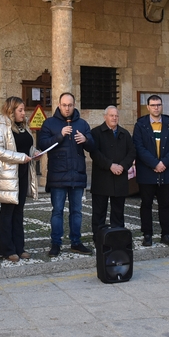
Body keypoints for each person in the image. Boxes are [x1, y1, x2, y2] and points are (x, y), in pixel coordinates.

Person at [38, 92, 94, 257]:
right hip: (58, 175)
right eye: (64, 105)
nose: (67, 108)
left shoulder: (82, 124)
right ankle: (56, 243)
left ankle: (76, 242)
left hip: (77, 175)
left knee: (76, 211)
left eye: (70, 105)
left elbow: (93, 147)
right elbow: (42, 144)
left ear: (74, 105)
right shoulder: (49, 123)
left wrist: (87, 140)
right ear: (59, 105)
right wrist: (60, 135)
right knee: (57, 211)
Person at [0, 96, 39, 262]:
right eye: (20, 110)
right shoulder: (0, 127)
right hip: (9, 176)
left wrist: (34, 153)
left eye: (24, 110)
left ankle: (19, 247)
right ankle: (7, 249)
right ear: (11, 110)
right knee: (7, 212)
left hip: (23, 172)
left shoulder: (23, 127)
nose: (24, 114)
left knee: (19, 211)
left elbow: (26, 147)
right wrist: (19, 157)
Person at [133, 94, 169, 247]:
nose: (156, 108)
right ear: (148, 107)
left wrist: (164, 163)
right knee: (146, 204)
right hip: (147, 172)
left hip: (166, 171)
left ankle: (166, 234)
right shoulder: (140, 125)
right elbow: (139, 147)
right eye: (153, 105)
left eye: (158, 105)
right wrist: (155, 164)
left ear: (162, 106)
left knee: (164, 205)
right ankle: (147, 235)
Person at [89, 105, 136, 232]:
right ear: (105, 117)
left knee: (118, 212)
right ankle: (98, 238)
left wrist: (122, 166)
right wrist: (110, 165)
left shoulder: (124, 133)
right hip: (102, 179)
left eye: (116, 116)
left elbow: (132, 152)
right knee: (99, 212)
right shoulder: (96, 132)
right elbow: (94, 153)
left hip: (120, 178)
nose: (114, 118)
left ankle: (117, 237)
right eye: (111, 115)